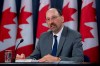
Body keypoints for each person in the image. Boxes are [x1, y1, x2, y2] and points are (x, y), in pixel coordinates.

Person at [16, 8, 84, 62]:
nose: (51, 22)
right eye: (48, 19)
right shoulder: (43, 37)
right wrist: (24, 60)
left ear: (62, 18)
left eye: (54, 18)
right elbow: (34, 57)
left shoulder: (74, 35)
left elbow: (79, 59)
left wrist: (58, 59)